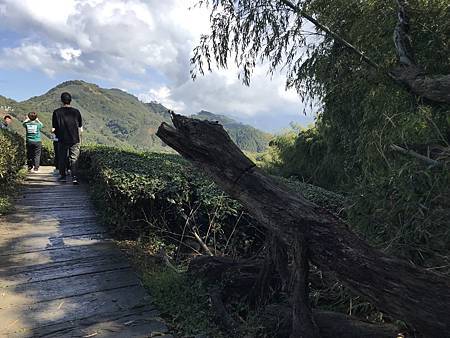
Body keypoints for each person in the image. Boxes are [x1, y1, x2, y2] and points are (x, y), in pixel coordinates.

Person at [52, 92, 82, 185]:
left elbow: (54, 127)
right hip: (74, 138)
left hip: (62, 138)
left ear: (61, 100)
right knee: (74, 158)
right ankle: (74, 178)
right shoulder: (76, 111)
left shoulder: (56, 112)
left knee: (62, 158)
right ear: (70, 100)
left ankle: (63, 177)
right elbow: (80, 126)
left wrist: (57, 135)